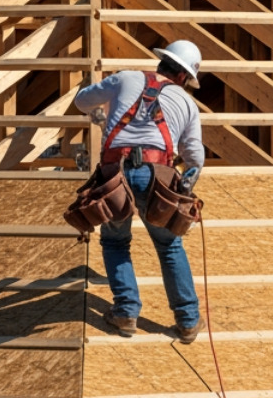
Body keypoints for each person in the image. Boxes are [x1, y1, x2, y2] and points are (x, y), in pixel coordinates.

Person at [74, 39, 205, 342]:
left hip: (115, 176)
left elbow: (82, 101)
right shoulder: (187, 103)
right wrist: (184, 189)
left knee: (116, 242)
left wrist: (100, 113)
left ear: (163, 62)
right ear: (183, 76)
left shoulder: (125, 78)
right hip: (157, 177)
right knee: (169, 246)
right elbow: (195, 158)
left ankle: (126, 313)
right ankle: (187, 321)